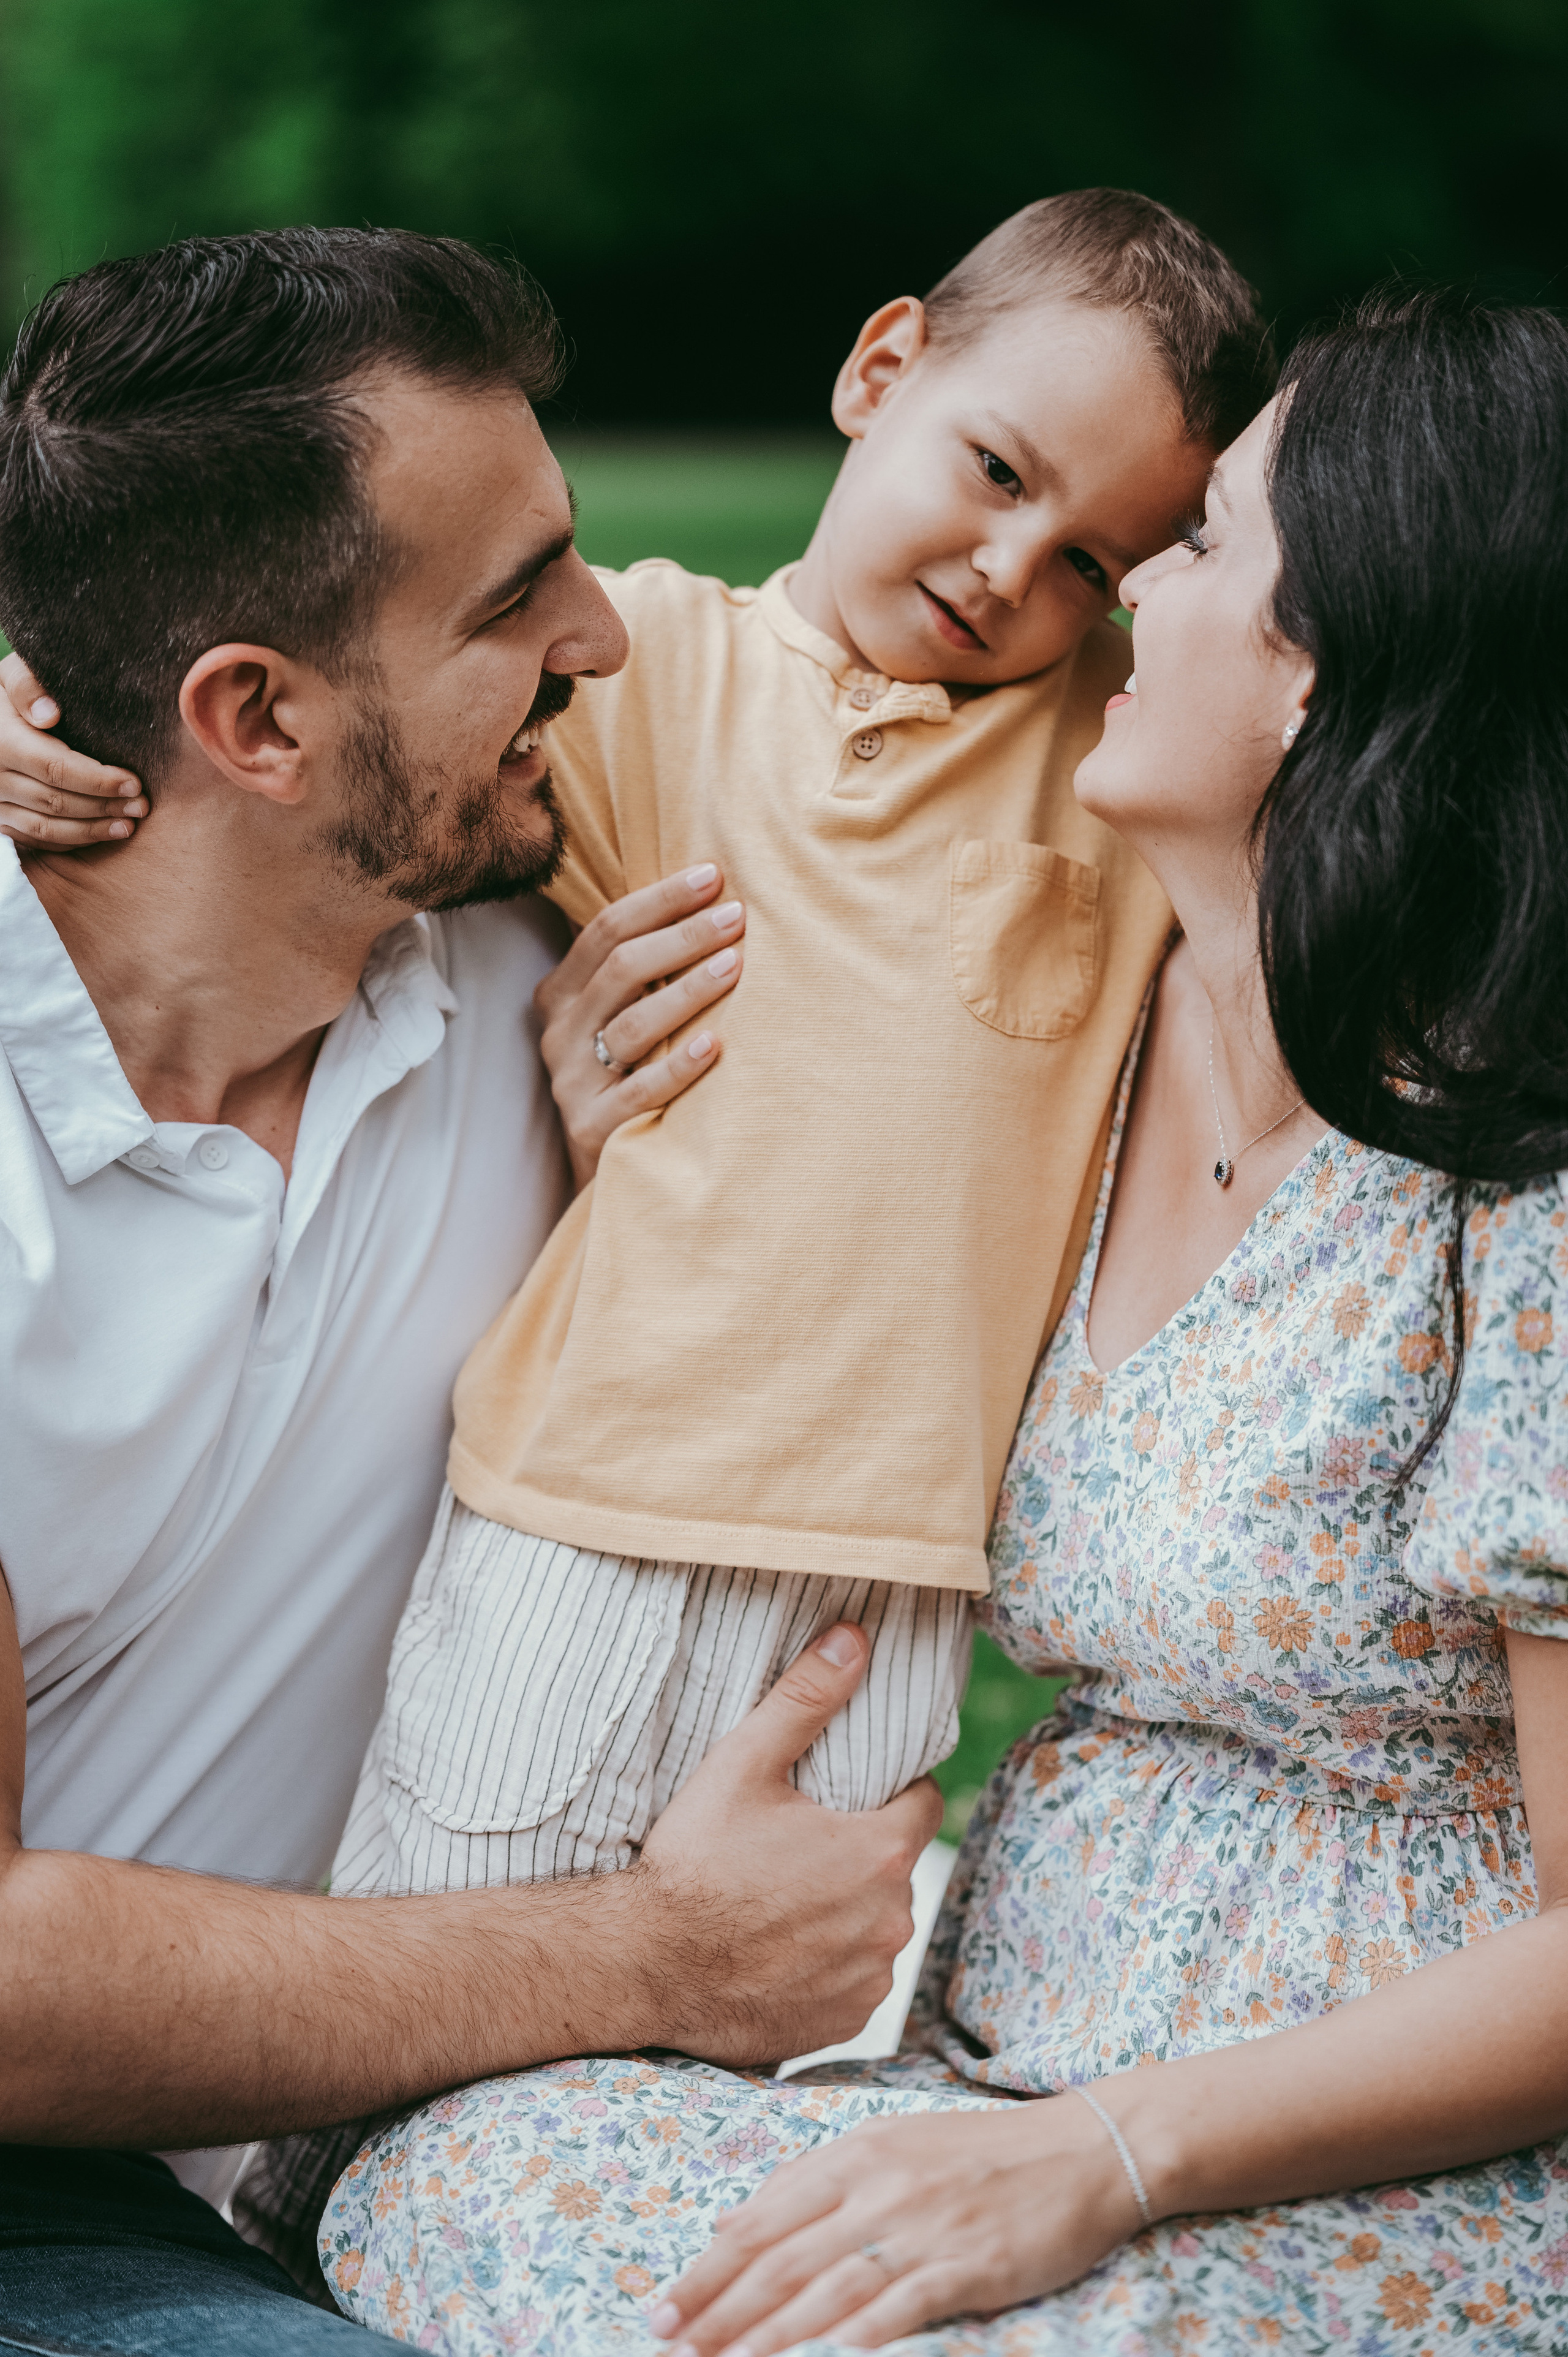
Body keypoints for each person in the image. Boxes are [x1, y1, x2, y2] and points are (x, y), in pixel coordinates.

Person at [7, 192, 1276, 2276]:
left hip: (776, 1713)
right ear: (255, 724)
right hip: (77, 2207)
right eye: (523, 598)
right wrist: (658, 1958)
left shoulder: (537, 954)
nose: (602, 635)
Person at [316, 289, 1568, 2355]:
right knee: (448, 2180)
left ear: (1327, 674)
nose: (1110, 599)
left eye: (1187, 547)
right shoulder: (1093, 1020)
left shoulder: (1509, 1187)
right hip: (986, 2075)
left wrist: (1108, 2161)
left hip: (1336, 2164)